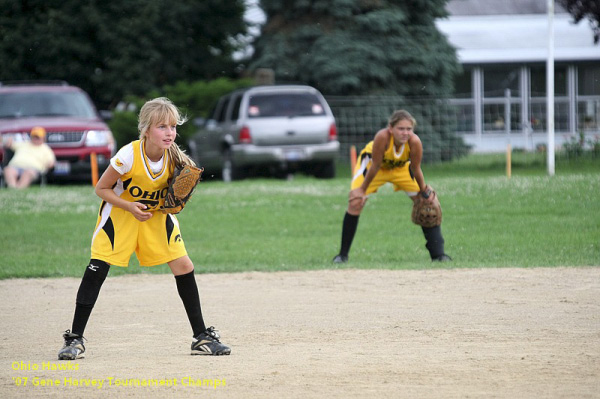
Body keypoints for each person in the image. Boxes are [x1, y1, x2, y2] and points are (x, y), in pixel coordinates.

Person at [58, 97, 230, 360]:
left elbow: (177, 197)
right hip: (121, 217)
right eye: (162, 126)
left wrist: (177, 202)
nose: (169, 132)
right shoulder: (128, 155)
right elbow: (101, 189)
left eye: (173, 126)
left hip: (157, 218)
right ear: (146, 130)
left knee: (184, 266)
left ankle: (201, 337)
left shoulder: (176, 159)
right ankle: (75, 339)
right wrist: (129, 206)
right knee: (98, 268)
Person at [332, 109, 451, 263]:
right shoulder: (382, 137)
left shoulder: (414, 141)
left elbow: (416, 168)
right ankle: (342, 255)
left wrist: (424, 192)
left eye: (409, 129)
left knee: (426, 205)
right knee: (355, 202)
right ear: (391, 128)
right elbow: (374, 165)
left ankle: (439, 255)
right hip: (375, 167)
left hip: (401, 168)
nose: (405, 133)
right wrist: (361, 190)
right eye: (401, 128)